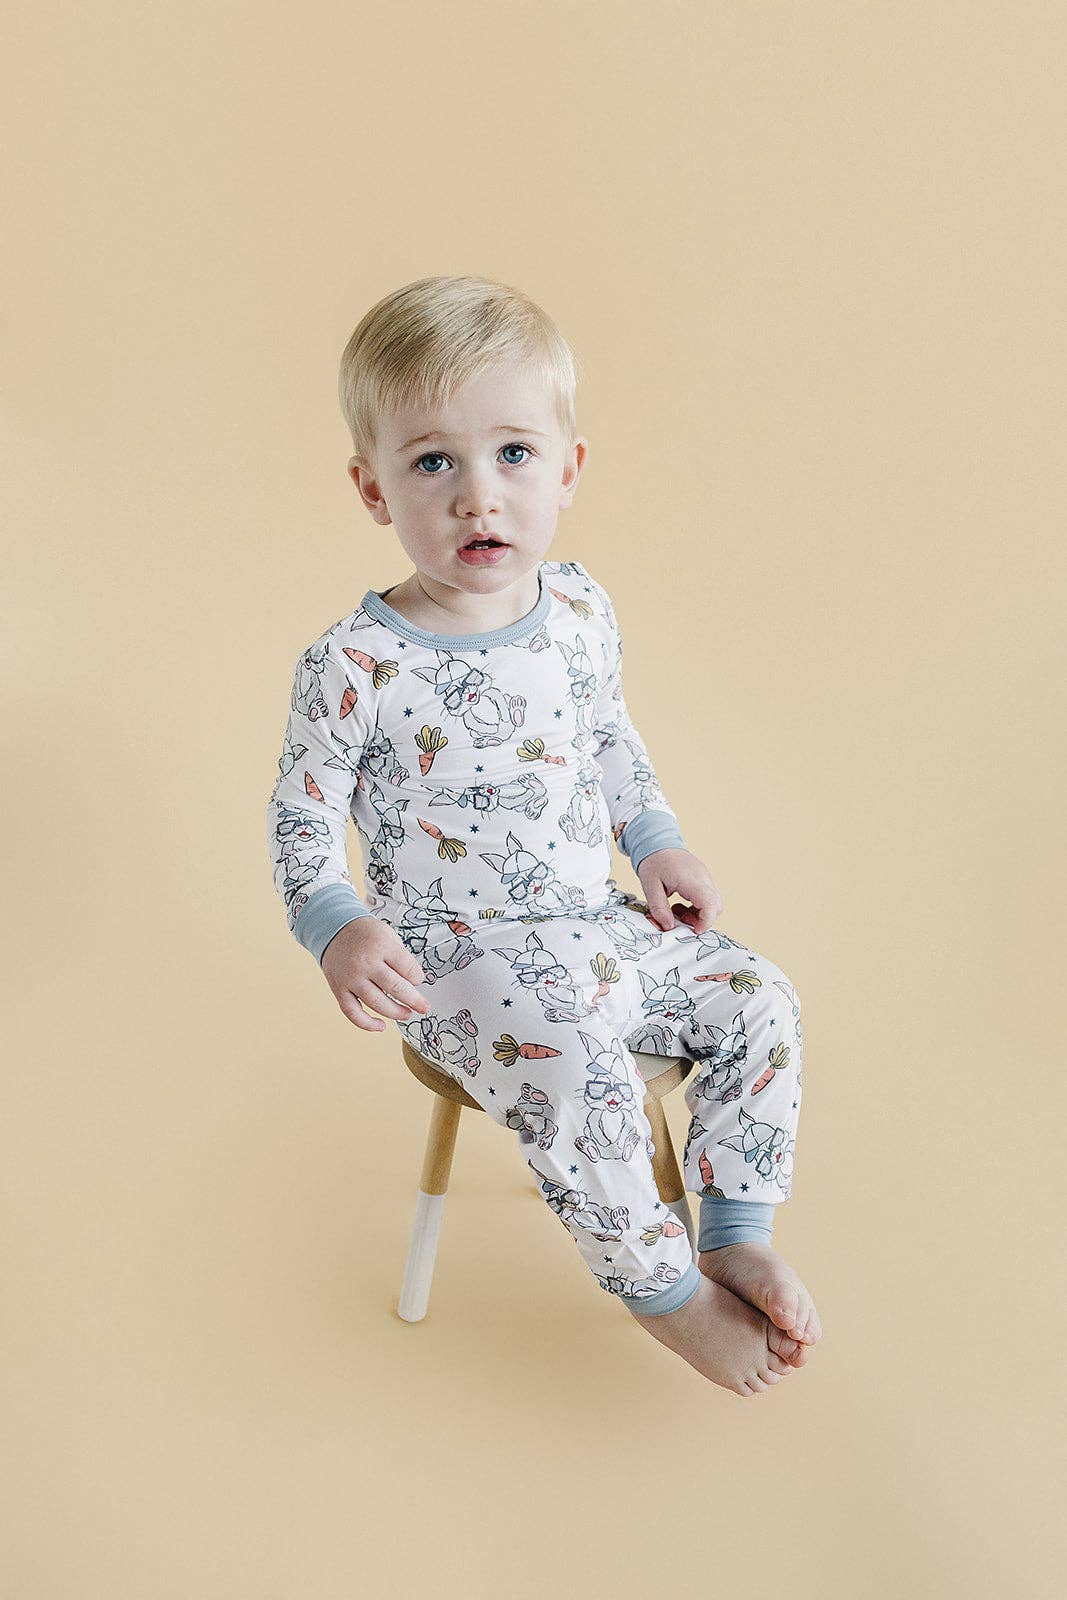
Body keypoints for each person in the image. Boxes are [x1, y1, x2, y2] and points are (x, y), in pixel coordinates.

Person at [266, 274, 822, 1396]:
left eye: (513, 454)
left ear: (567, 468)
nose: (479, 497)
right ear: (373, 488)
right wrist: (336, 925)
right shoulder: (356, 664)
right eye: (434, 462)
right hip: (457, 958)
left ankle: (732, 1231)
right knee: (582, 1079)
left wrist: (654, 842)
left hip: (595, 924)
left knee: (760, 998)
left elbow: (607, 734)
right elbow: (301, 815)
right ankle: (665, 1293)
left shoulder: (575, 609)